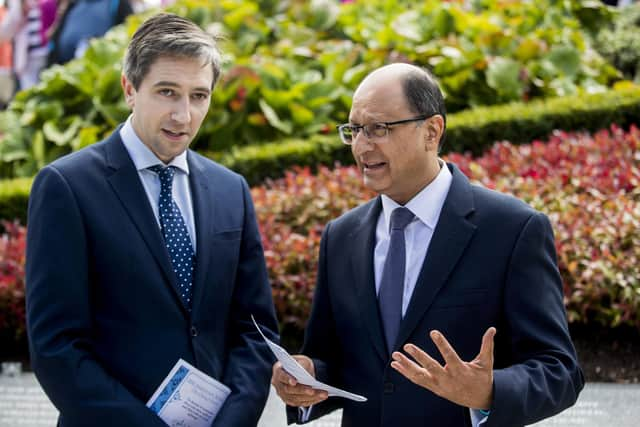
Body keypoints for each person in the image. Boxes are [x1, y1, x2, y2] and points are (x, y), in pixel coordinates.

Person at [271, 63, 584, 426]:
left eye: (378, 129)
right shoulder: (341, 236)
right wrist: (305, 377)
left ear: (432, 131)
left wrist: (488, 391)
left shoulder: (512, 229)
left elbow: (560, 371)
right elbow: (338, 360)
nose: (361, 145)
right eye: (354, 130)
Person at [26, 13, 278, 427]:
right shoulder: (66, 187)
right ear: (130, 88)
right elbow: (57, 348)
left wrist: (233, 420)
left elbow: (254, 330)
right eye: (167, 92)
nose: (184, 115)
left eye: (199, 96)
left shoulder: (230, 190)